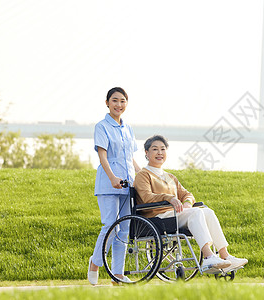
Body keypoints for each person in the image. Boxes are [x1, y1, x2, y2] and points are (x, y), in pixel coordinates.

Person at [134, 135, 248, 273]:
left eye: (163, 149)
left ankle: (225, 256)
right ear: (146, 153)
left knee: (207, 211)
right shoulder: (143, 175)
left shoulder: (170, 177)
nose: (159, 153)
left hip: (175, 214)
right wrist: (169, 197)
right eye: (155, 149)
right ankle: (208, 257)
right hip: (157, 217)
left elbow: (187, 194)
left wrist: (187, 203)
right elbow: (146, 197)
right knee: (197, 212)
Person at [87, 87, 141, 285]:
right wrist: (112, 178)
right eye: (115, 100)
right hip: (109, 184)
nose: (119, 105)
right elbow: (103, 155)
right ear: (107, 103)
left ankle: (117, 274)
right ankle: (95, 263)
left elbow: (130, 158)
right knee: (110, 225)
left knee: (125, 229)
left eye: (123, 101)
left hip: (129, 185)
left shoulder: (128, 129)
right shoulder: (101, 126)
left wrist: (143, 176)